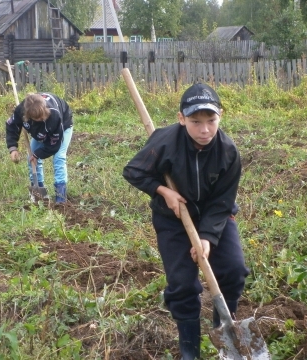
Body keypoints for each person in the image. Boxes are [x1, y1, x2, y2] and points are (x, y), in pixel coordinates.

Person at [123, 83, 249, 359]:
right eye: (195, 122)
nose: (204, 130)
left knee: (234, 270)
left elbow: (222, 202)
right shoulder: (165, 141)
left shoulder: (228, 151)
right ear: (181, 119)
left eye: (211, 121)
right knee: (182, 284)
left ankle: (223, 332)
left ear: (221, 116)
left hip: (215, 216)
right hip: (173, 218)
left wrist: (206, 237)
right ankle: (189, 347)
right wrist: (163, 190)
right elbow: (133, 171)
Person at [6, 92, 73, 204]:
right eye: (38, 118)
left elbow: (54, 145)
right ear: (29, 116)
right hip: (39, 131)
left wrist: (38, 154)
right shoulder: (22, 111)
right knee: (31, 159)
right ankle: (39, 195)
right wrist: (13, 148)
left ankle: (61, 198)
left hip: (63, 127)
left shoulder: (54, 114)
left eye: (43, 116)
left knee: (59, 158)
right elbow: (12, 125)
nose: (42, 118)